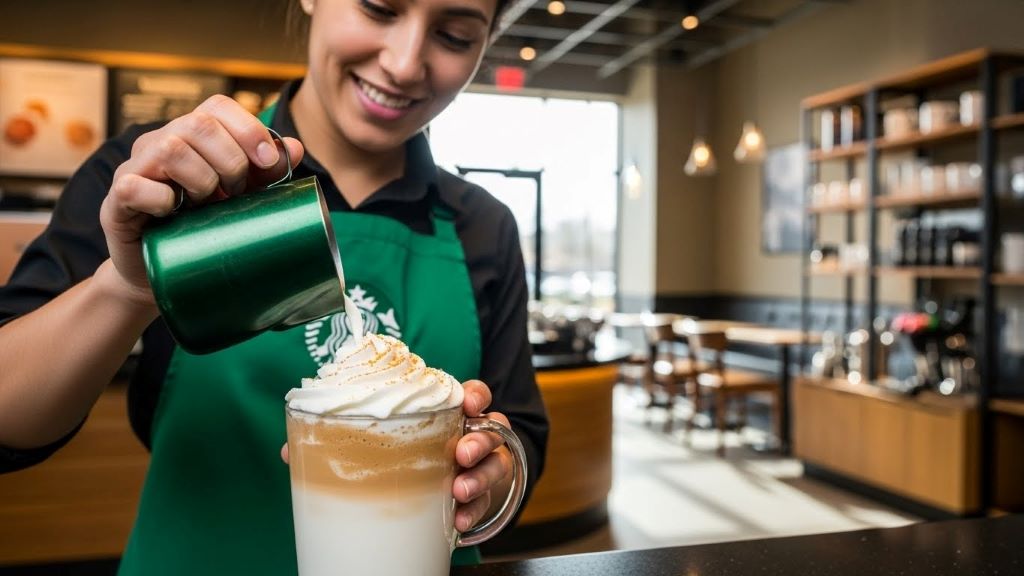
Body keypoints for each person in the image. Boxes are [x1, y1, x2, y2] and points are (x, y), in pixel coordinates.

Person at [0, 0, 548, 573]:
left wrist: (491, 473)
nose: (406, 64)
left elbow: (521, 432)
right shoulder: (159, 181)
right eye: (380, 8)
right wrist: (127, 287)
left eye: (455, 36)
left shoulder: (483, 226)